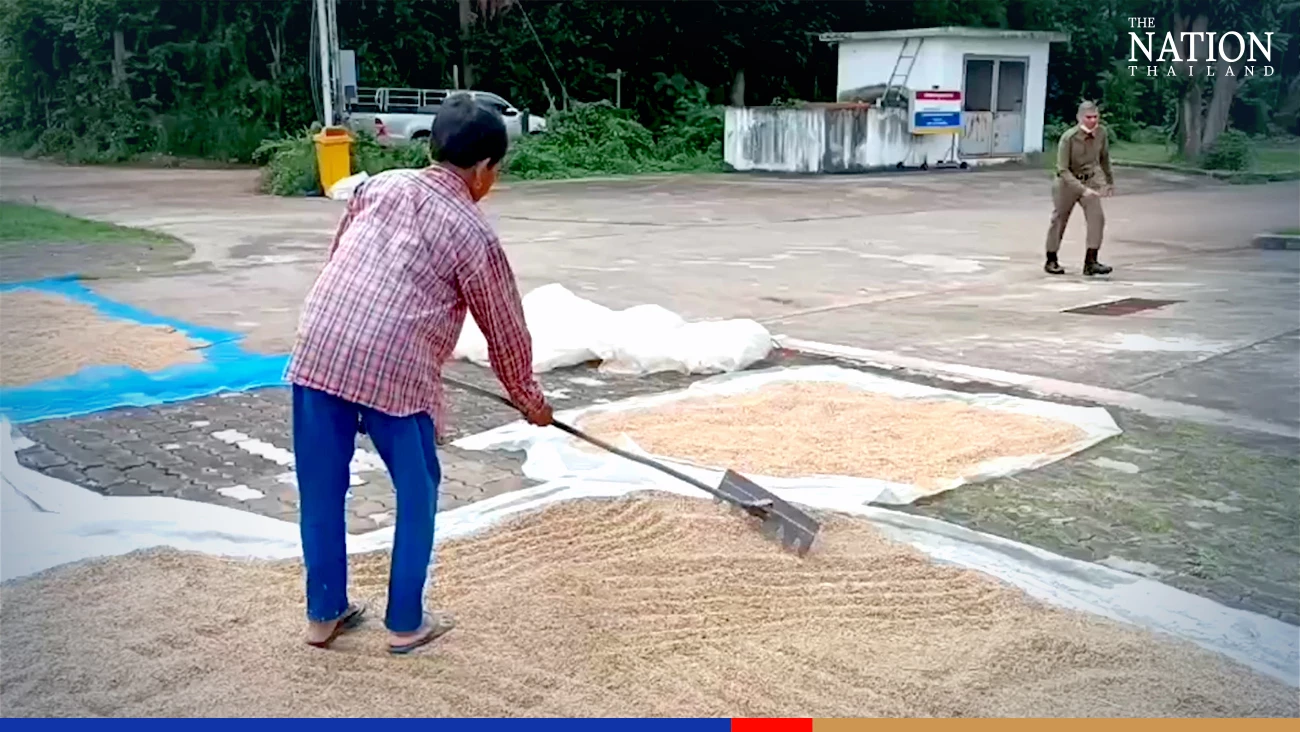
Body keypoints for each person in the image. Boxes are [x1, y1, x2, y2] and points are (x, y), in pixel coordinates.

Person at [284, 93, 553, 654]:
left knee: (321, 487)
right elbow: (504, 327)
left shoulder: (377, 186)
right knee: (417, 485)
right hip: (394, 366)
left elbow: (341, 257)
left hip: (320, 344)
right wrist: (529, 399)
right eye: (495, 170)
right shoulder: (473, 232)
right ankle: (405, 622)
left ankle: (324, 613)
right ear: (482, 169)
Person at [1044, 100, 1114, 276]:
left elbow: (1104, 158)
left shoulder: (1101, 133)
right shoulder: (1069, 138)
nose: (1092, 121)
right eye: (1088, 117)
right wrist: (1081, 189)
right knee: (1059, 219)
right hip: (1066, 182)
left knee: (1097, 218)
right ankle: (1051, 259)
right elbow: (1062, 169)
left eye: (1095, 117)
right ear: (1079, 118)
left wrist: (1108, 182)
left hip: (1089, 180)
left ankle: (1091, 261)